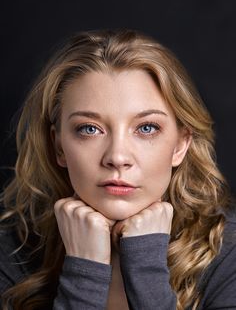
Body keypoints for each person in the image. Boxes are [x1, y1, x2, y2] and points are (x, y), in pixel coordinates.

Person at [0, 29, 236, 310]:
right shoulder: (11, 252)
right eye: (90, 129)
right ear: (59, 146)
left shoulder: (228, 255)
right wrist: (83, 271)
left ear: (180, 145)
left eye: (146, 128)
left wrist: (145, 266)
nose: (117, 157)